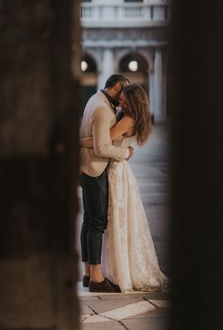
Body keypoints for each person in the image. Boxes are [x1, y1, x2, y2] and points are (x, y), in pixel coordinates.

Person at [81, 83, 167, 292]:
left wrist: (80, 142)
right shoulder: (135, 117)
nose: (120, 101)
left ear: (133, 101)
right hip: (119, 170)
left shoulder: (127, 118)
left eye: (124, 99)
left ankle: (98, 274)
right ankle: (101, 272)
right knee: (109, 219)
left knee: (107, 220)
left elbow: (101, 142)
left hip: (116, 171)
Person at [79, 73, 133, 293]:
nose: (124, 98)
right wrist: (125, 153)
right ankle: (97, 278)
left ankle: (87, 273)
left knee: (89, 221)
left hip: (87, 167)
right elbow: (102, 148)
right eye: (124, 92)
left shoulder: (95, 99)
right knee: (97, 223)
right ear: (118, 87)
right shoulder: (102, 109)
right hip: (95, 169)